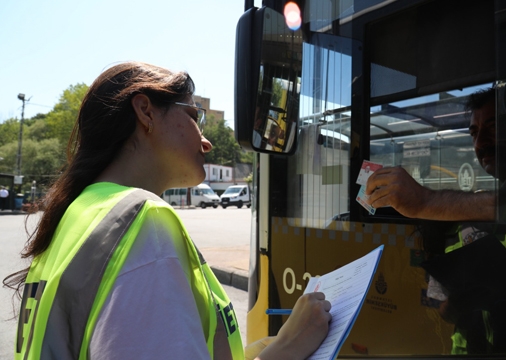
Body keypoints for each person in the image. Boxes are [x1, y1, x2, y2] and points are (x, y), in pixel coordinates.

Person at [3, 62, 331, 360]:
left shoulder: (81, 212)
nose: (207, 142)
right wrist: (290, 345)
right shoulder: (142, 221)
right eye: (194, 117)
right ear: (145, 111)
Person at [365, 85, 506, 354]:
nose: (480, 143)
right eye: (474, 133)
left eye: (492, 127)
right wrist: (458, 305)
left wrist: (426, 201)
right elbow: (447, 312)